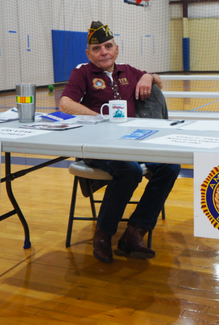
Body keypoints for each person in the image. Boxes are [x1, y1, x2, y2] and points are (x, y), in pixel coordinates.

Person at [60, 21, 181, 263]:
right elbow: (65, 104)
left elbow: (159, 82)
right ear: (88, 53)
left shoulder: (127, 71)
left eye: (108, 46)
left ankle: (135, 231)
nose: (103, 52)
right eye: (96, 48)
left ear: (116, 49)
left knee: (171, 165)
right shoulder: (82, 72)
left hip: (132, 142)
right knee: (129, 170)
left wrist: (148, 76)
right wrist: (101, 119)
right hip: (98, 145)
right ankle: (103, 234)